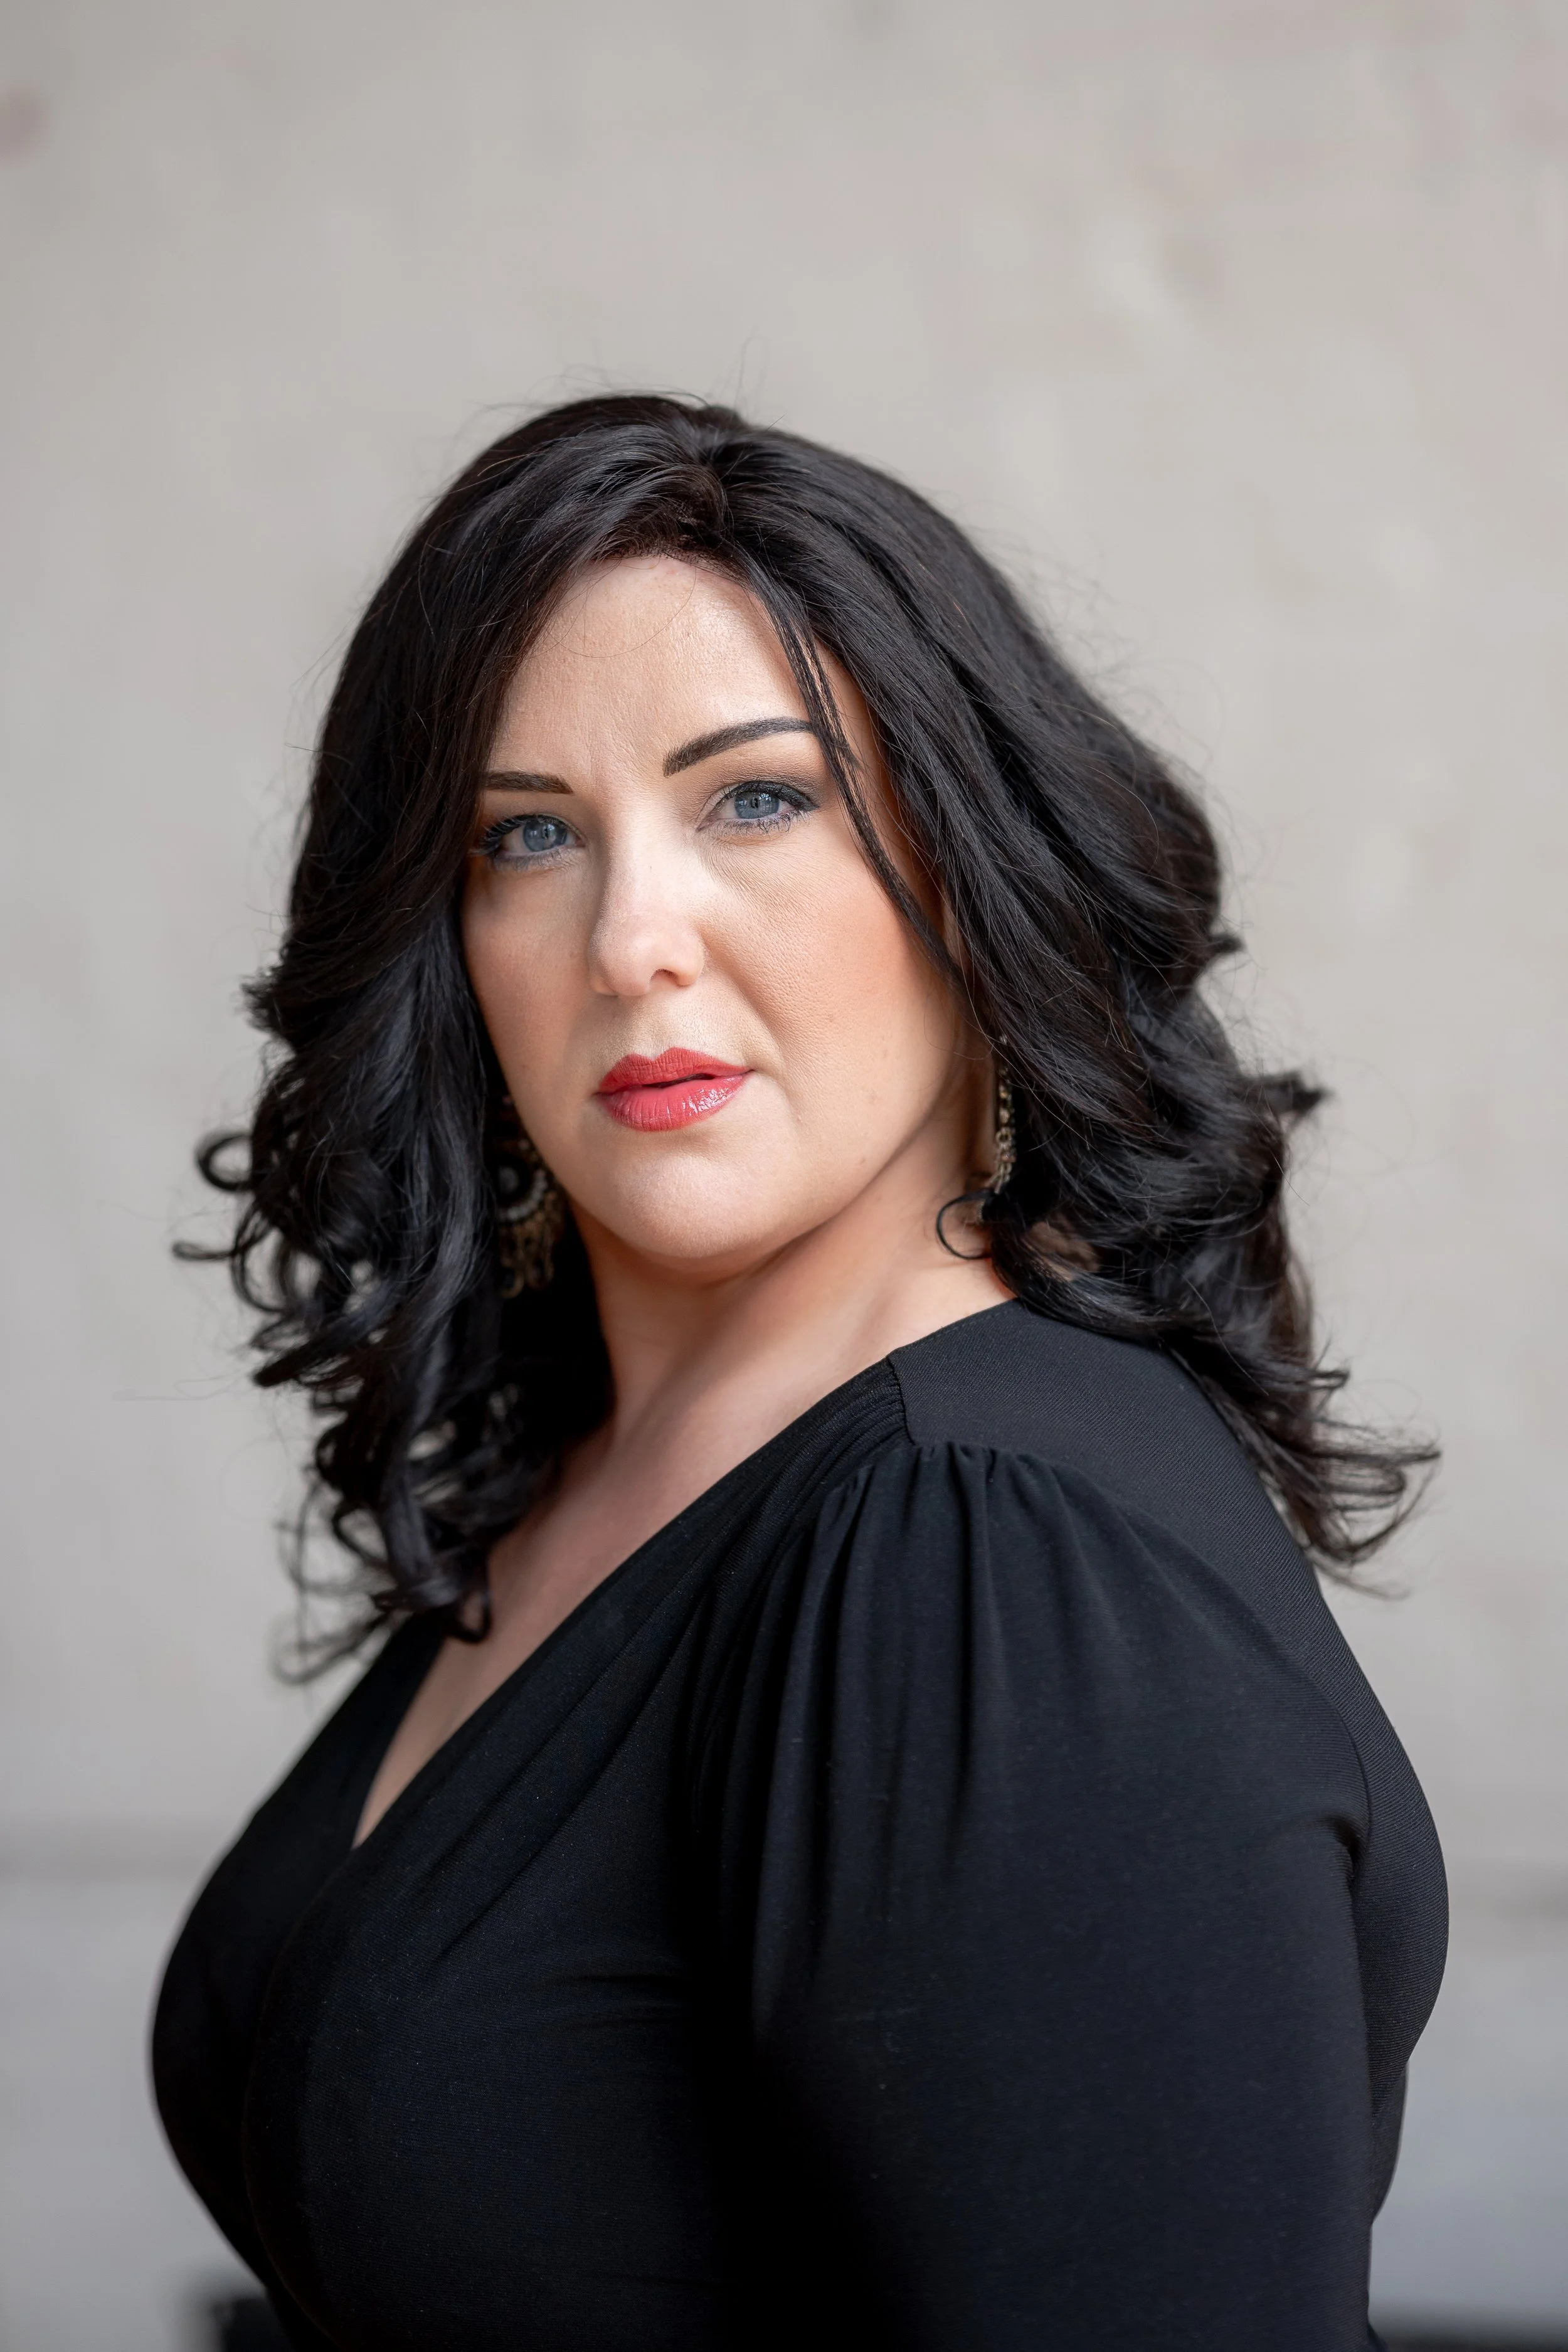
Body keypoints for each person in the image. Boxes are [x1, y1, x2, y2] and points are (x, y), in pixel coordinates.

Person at [152, 395, 1444, 2352]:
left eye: (755, 799)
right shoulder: (609, 1463)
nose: (630, 940)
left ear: (969, 866)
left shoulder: (982, 1559)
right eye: (526, 834)